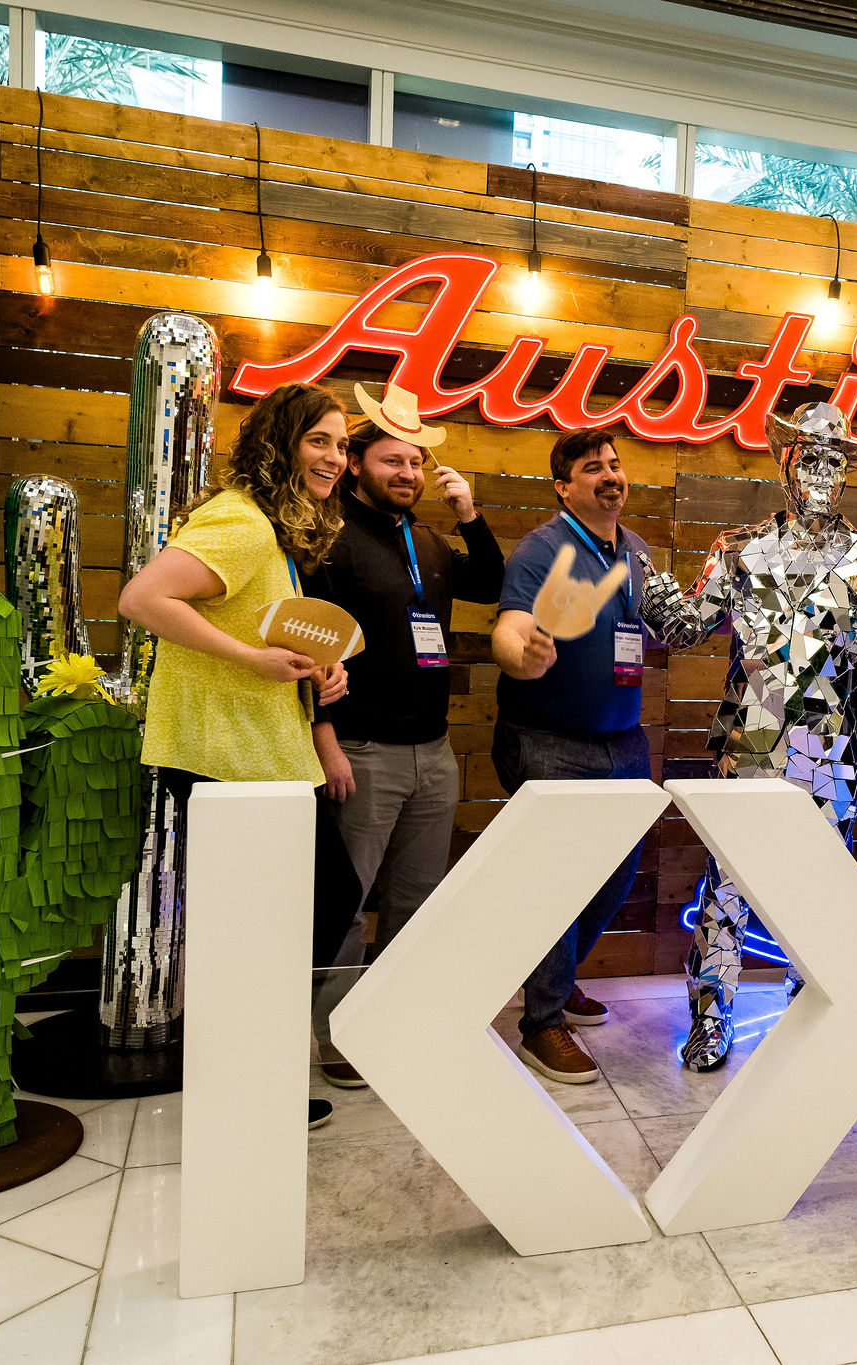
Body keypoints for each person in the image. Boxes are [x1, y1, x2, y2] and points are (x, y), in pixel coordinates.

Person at [640, 402, 857, 1071]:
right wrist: (659, 605)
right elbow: (686, 628)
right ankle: (710, 1021)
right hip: (750, 748)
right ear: (785, 462)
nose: (822, 470)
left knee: (827, 899)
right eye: (810, 455)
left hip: (830, 754)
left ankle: (820, 1012)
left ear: (848, 472)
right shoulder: (739, 550)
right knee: (728, 892)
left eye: (834, 458)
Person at [118, 380, 360, 1128]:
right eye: (318, 439)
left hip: (261, 757)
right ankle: (245, 1082)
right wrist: (250, 661)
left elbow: (266, 631)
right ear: (280, 442)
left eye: (342, 443)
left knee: (287, 922)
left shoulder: (272, 532)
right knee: (293, 917)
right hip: (232, 762)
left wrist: (319, 669)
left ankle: (252, 1080)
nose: (333, 455)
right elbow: (144, 599)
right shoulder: (244, 522)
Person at [305, 387, 505, 1088]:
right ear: (356, 463)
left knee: (418, 901)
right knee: (347, 903)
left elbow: (489, 580)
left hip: (433, 750)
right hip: (361, 751)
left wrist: (469, 514)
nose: (408, 474)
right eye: (393, 461)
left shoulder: (427, 539)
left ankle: (390, 1021)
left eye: (417, 463)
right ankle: (335, 1033)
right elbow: (309, 649)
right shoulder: (328, 539)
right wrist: (325, 740)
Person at [491, 429, 651, 1085]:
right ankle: (541, 1020)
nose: (610, 475)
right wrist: (518, 650)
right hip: (549, 740)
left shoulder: (637, 551)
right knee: (554, 882)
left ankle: (558, 979)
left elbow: (667, 625)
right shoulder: (543, 548)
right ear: (564, 486)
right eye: (593, 468)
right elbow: (509, 626)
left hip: (623, 743)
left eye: (615, 464)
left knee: (614, 875)